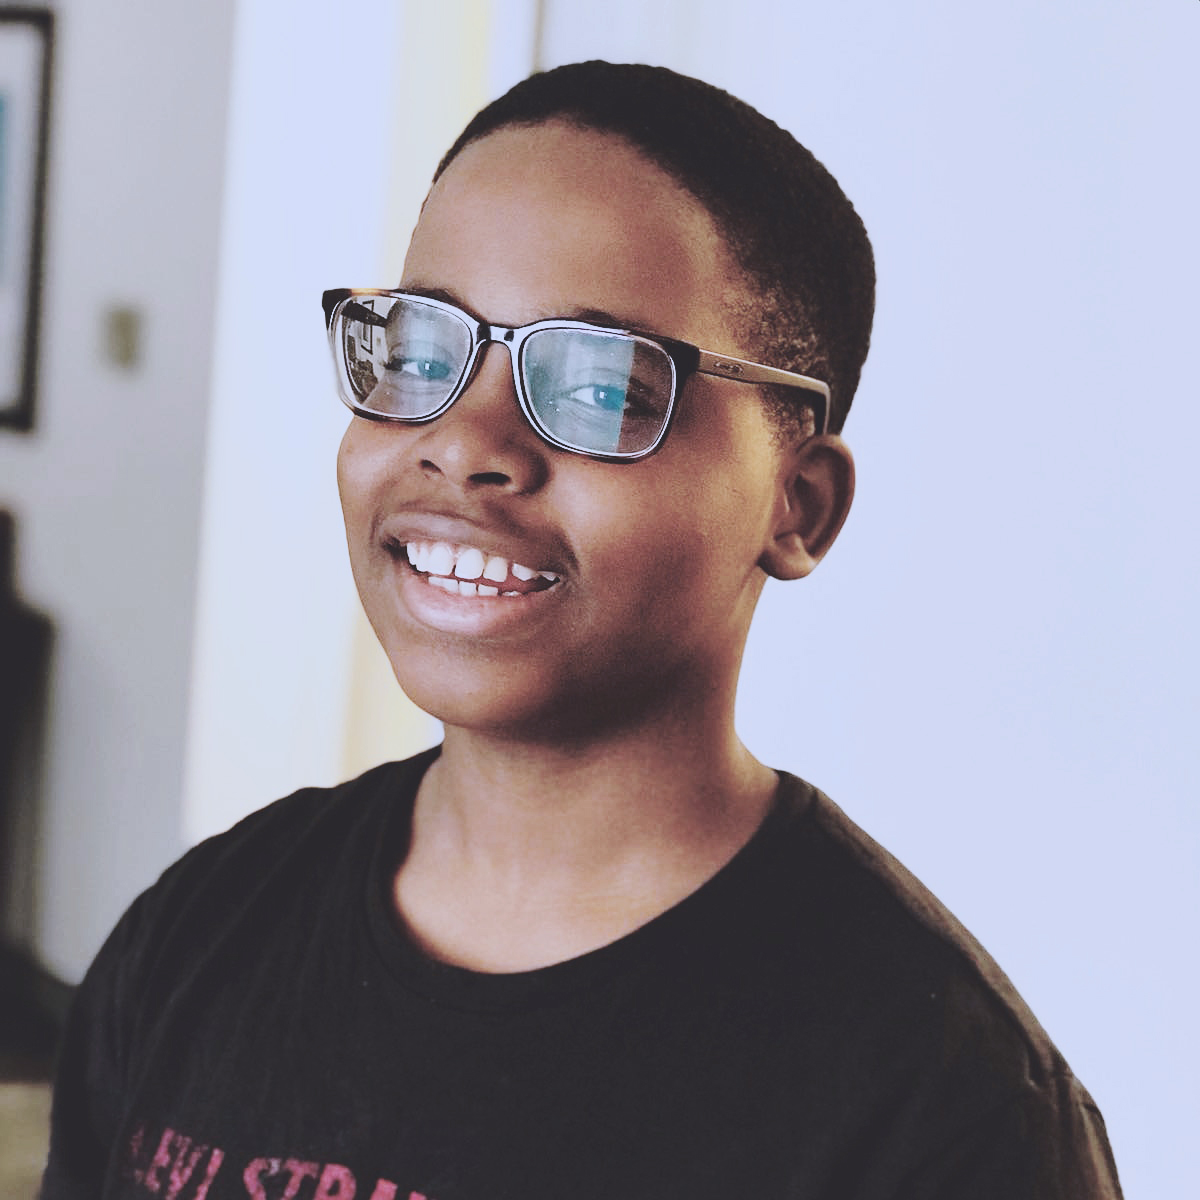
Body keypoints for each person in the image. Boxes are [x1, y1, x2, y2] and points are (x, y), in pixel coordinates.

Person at [42, 61, 1123, 1199]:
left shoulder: (945, 1111)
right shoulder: (201, 935)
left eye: (603, 385)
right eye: (419, 353)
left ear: (796, 505)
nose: (466, 442)